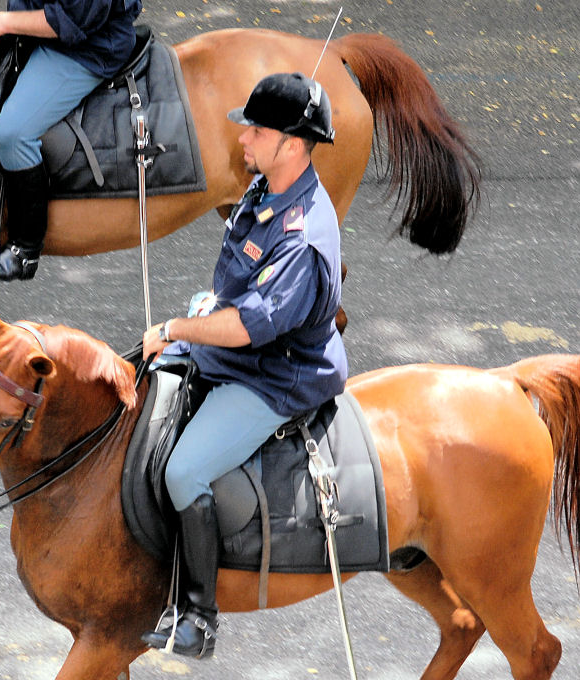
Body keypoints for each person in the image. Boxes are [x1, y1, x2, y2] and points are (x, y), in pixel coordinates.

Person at [140, 72, 348, 659]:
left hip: (274, 377)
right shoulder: (263, 191)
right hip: (235, 348)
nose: (243, 139)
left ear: (292, 143)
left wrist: (178, 329)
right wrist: (208, 307)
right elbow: (234, 289)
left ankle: (198, 618)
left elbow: (247, 328)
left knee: (183, 471)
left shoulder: (302, 237)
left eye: (256, 130)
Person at [0, 0, 143, 282]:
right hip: (36, 33)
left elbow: (69, 21)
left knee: (13, 134)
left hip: (87, 48)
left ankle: (25, 251)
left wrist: (5, 22)